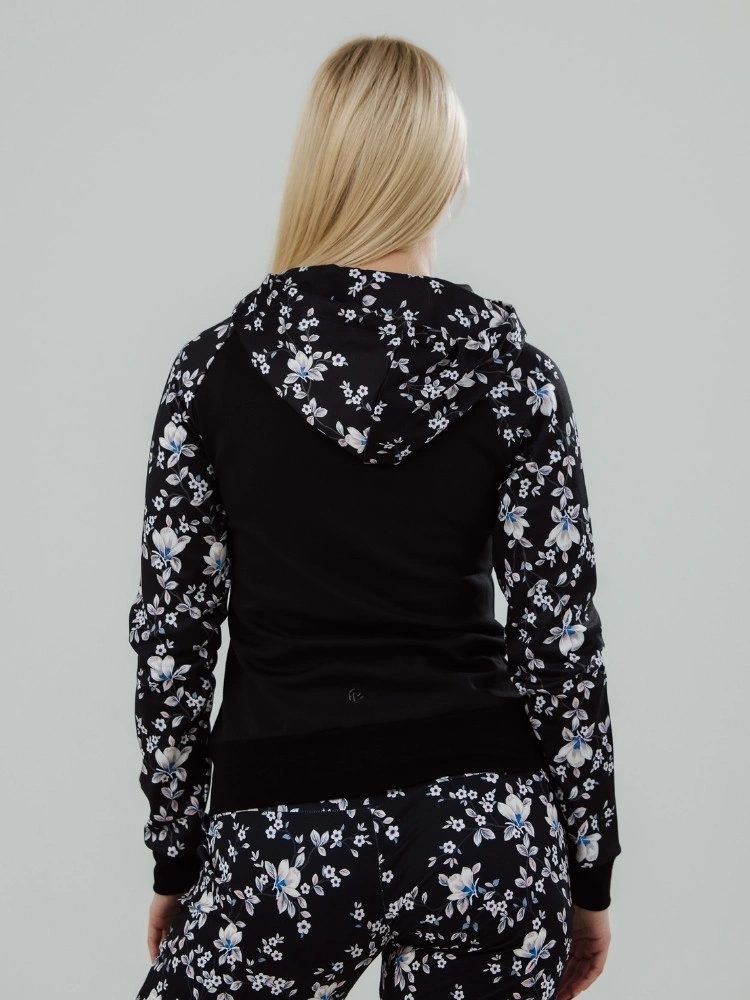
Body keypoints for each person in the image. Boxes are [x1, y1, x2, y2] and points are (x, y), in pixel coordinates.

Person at [128, 33, 621, 1000]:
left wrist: (177, 854)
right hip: (484, 830)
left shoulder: (214, 373)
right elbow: (561, 641)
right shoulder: (515, 375)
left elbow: (172, 645)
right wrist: (588, 871)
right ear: (447, 175)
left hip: (281, 830)